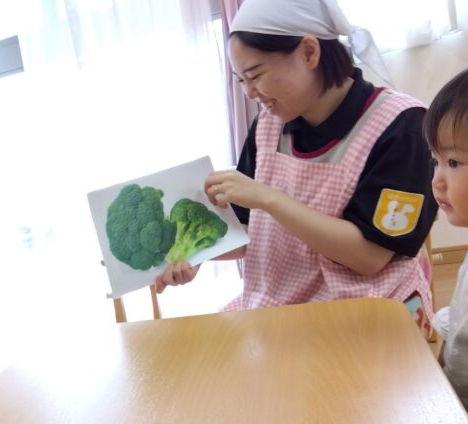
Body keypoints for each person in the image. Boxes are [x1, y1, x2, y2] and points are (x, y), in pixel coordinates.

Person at [156, 0, 434, 327]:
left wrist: (269, 198)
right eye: (241, 80)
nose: (250, 93)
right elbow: (246, 229)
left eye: (255, 75)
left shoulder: (402, 126)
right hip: (278, 308)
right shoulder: (268, 126)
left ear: (309, 52)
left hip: (368, 309)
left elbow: (370, 257)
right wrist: (193, 254)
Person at [426, 64, 468, 424]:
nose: (437, 181)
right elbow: (461, 325)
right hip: (458, 413)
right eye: (437, 161)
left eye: (454, 162)